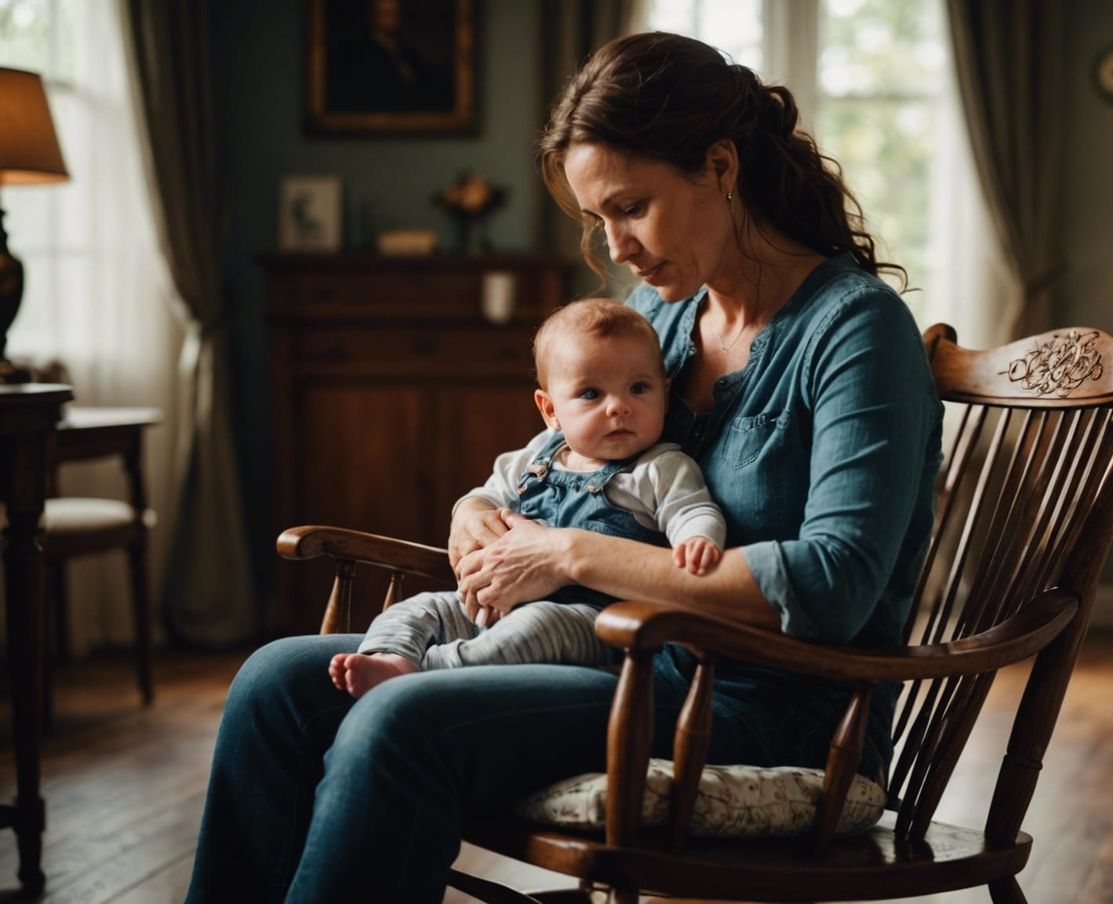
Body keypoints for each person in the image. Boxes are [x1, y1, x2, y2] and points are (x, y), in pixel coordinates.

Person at [186, 31, 943, 903]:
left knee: (403, 719)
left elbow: (839, 582)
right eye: (599, 220)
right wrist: (478, 511)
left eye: (632, 207)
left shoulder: (855, 330)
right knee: (275, 683)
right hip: (613, 660)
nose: (617, 245)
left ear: (721, 166)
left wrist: (570, 555)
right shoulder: (659, 319)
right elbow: (555, 460)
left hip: (775, 705)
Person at [328, 299, 726, 698]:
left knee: (535, 626)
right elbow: (484, 498)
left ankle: (425, 670)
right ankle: (392, 657)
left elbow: (692, 509)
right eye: (591, 393)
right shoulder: (537, 457)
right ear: (550, 410)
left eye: (639, 388)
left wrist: (697, 539)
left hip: (596, 619)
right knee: (421, 607)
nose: (619, 407)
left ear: (665, 392)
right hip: (500, 603)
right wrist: (473, 512)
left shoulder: (660, 467)